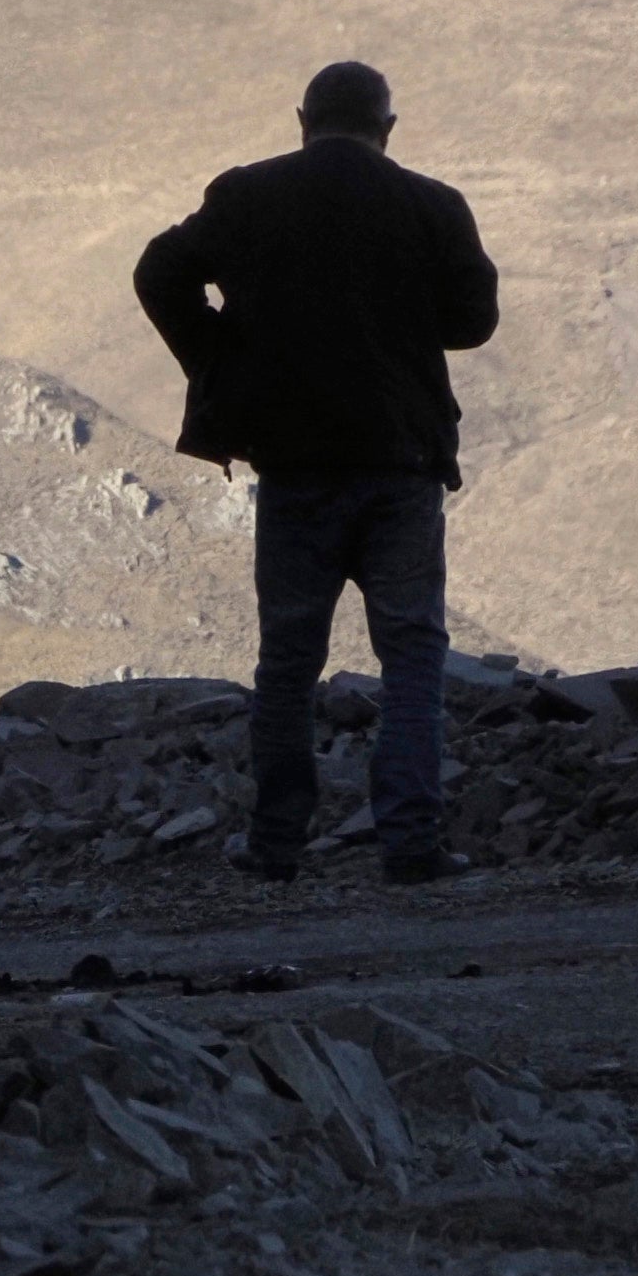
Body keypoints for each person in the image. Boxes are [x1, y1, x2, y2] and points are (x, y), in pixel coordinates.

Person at [130, 60, 499, 884]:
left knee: (288, 661)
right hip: (400, 461)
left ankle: (274, 847)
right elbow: (473, 319)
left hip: (294, 464)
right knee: (412, 654)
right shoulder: (432, 205)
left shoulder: (247, 196)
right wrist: (398, 319)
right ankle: (411, 843)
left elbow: (160, 273)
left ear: (302, 118)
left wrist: (220, 360)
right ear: (389, 127)